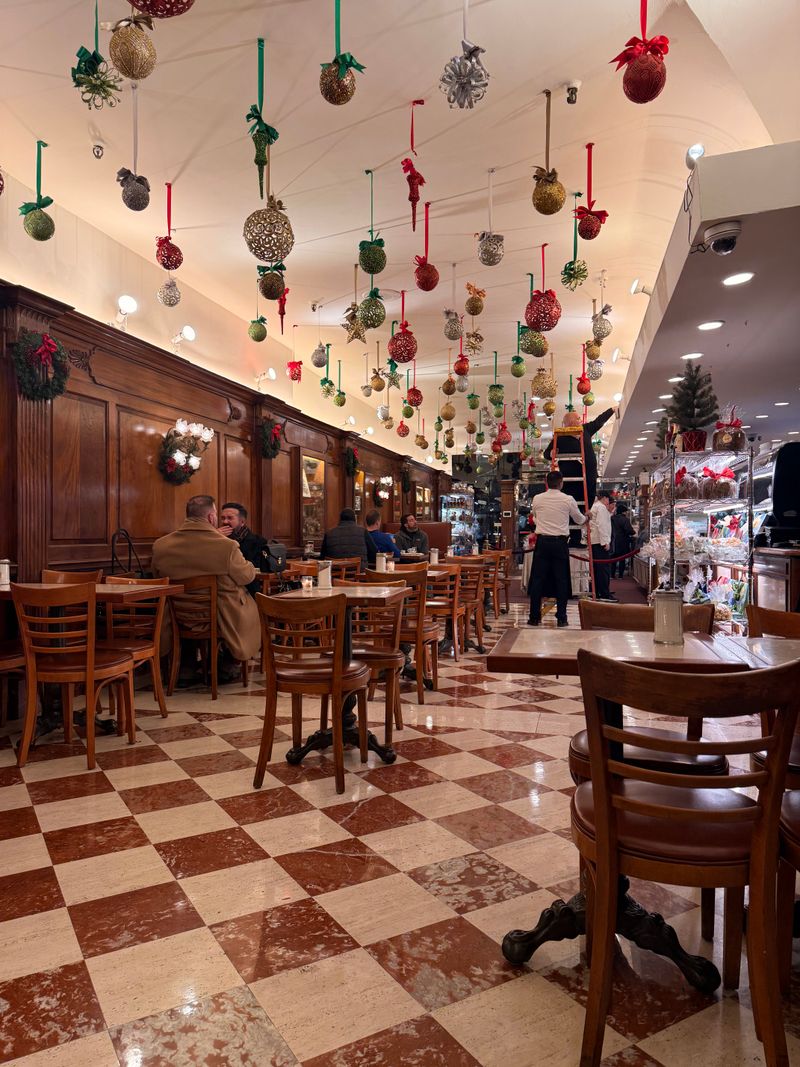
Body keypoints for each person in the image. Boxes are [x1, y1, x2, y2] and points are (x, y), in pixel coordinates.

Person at [151, 494, 261, 680]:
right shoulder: (227, 546)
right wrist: (250, 565)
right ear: (211, 517)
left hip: (178, 616)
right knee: (249, 605)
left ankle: (187, 665)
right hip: (220, 616)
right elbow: (246, 576)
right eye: (218, 514)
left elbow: (156, 577)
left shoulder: (161, 546)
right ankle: (229, 662)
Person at [544, 408, 616, 544]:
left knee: (586, 504)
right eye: (577, 419)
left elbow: (598, 421)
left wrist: (611, 410)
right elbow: (546, 454)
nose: (580, 420)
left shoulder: (585, 430)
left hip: (588, 476)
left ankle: (581, 533)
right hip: (571, 479)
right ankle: (574, 538)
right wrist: (552, 452)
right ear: (571, 422)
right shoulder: (559, 437)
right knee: (572, 507)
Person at [527, 470, 587, 627]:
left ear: (547, 483)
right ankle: (562, 618)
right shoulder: (568, 499)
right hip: (560, 543)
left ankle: (534, 617)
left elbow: (535, 517)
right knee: (562, 580)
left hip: (542, 542)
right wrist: (588, 517)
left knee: (537, 580)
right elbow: (579, 520)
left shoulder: (537, 498)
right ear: (561, 483)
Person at [219, 501, 268, 594]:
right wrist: (216, 538)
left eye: (230, 518)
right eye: (223, 518)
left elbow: (253, 571)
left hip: (246, 591)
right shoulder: (217, 538)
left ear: (242, 522)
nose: (225, 522)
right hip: (221, 589)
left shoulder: (258, 542)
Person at [588, 492, 617, 602]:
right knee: (603, 570)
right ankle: (604, 594)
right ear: (604, 498)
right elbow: (602, 524)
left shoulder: (594, 506)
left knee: (596, 570)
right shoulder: (601, 507)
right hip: (600, 542)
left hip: (595, 541)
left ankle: (598, 592)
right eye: (608, 500)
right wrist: (606, 541)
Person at [611, 503, 636, 578]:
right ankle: (620, 575)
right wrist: (633, 532)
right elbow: (629, 530)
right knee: (622, 559)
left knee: (613, 559)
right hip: (623, 542)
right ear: (623, 512)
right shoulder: (625, 519)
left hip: (613, 541)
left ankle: (612, 575)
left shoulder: (612, 518)